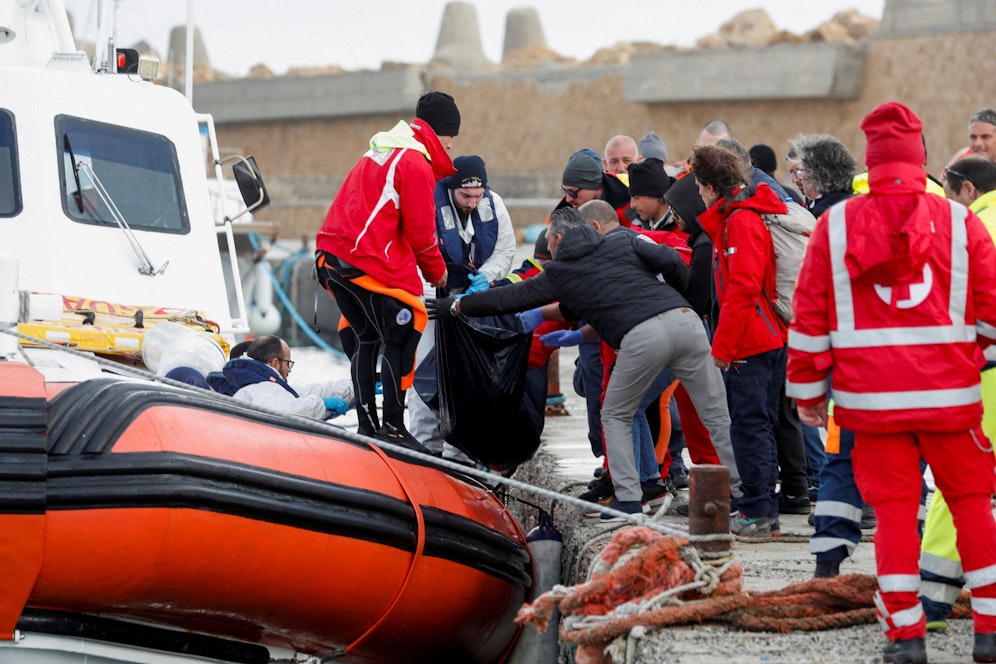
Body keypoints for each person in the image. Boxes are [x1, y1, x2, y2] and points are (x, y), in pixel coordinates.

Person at [787, 101, 996, 664]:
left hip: (871, 406)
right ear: (920, 158)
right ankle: (990, 632)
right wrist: (973, 357)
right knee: (972, 506)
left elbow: (810, 321)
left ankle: (906, 638)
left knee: (897, 517)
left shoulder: (834, 226)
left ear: (871, 161)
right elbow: (991, 313)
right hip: (951, 401)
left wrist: (808, 394)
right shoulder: (959, 222)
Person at [430, 207, 733, 523]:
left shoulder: (561, 270)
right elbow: (667, 262)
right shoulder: (624, 240)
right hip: (688, 323)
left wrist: (456, 305)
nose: (547, 247)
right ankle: (743, 496)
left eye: (548, 241)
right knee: (715, 413)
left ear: (559, 238)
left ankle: (630, 501)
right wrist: (688, 300)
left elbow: (511, 298)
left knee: (616, 413)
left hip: (644, 338)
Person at [314, 90, 459, 447]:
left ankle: (367, 424)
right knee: (405, 328)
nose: (452, 147)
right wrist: (437, 272)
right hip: (363, 260)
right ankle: (394, 427)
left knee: (367, 337)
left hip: (330, 256)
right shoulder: (415, 162)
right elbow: (422, 233)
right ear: (441, 133)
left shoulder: (379, 151)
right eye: (451, 137)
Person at [692, 143, 789, 536]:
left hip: (751, 342)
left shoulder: (740, 222)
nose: (699, 194)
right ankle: (761, 505)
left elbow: (744, 288)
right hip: (759, 338)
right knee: (756, 426)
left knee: (750, 427)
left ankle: (758, 509)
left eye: (699, 187)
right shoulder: (739, 218)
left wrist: (724, 348)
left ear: (712, 188)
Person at [917, 155, 996, 630]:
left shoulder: (974, 229)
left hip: (984, 373)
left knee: (958, 478)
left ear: (967, 189)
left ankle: (933, 600)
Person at [408, 154, 516, 460]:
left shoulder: (493, 204)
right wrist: (437, 295)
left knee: (468, 376)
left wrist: (484, 278)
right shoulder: (428, 205)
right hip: (432, 301)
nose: (471, 202)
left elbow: (505, 250)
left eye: (477, 196)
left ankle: (462, 455)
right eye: (465, 195)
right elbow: (416, 253)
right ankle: (425, 449)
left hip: (472, 300)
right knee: (422, 377)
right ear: (451, 188)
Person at [223, 335, 354, 420]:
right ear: (274, 363)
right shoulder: (260, 388)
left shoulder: (263, 384)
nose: (290, 369)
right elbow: (283, 410)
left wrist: (353, 387)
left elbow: (308, 392)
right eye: (288, 363)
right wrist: (321, 404)